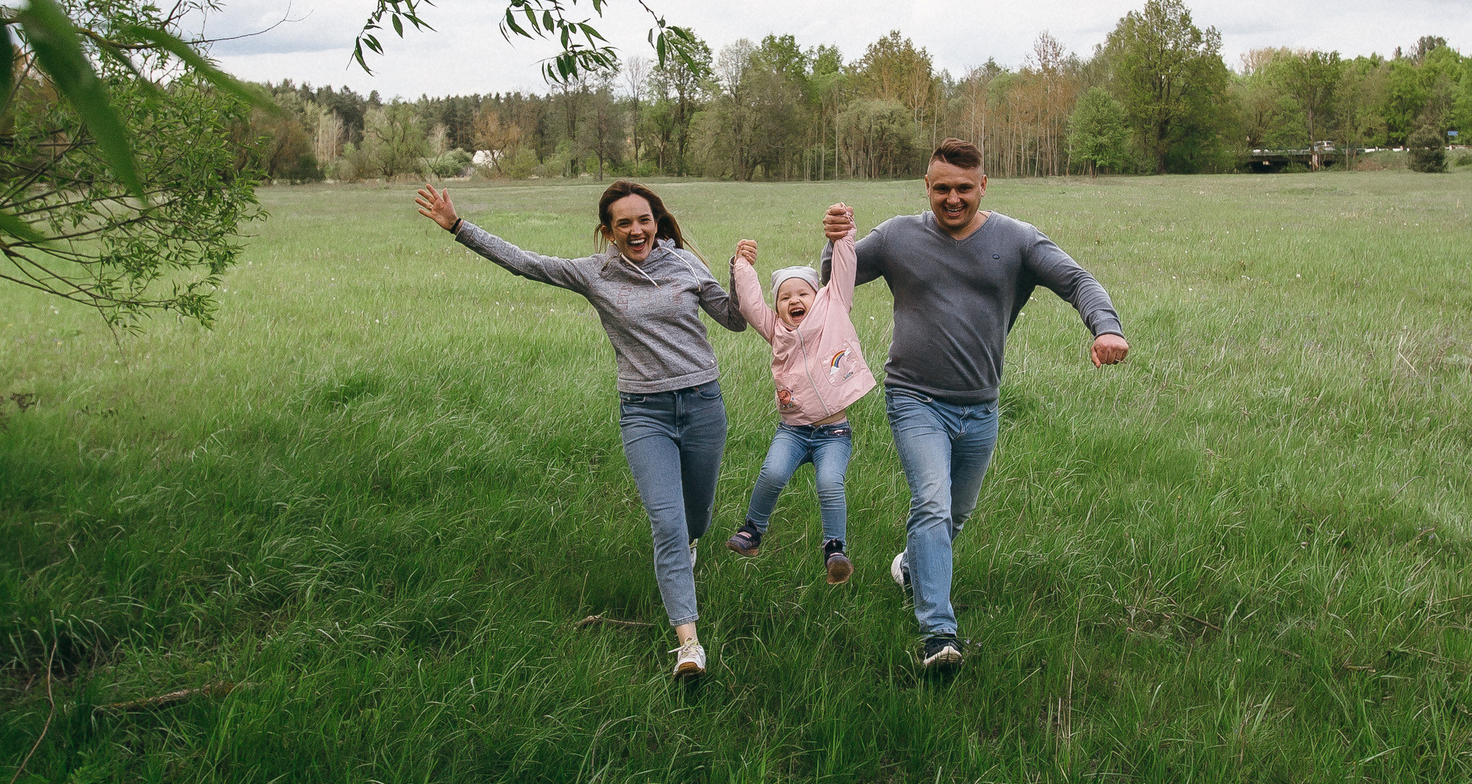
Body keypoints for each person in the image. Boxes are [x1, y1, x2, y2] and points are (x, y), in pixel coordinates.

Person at [414, 179, 744, 680]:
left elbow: (735, 320)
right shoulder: (595, 274)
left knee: (696, 518)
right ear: (608, 232)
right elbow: (525, 262)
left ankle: (692, 545)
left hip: (703, 405)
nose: (637, 230)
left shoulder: (684, 263)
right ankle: (689, 644)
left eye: (644, 220)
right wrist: (458, 227)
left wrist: (740, 273)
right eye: (624, 223)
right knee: (667, 525)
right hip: (644, 413)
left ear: (656, 221)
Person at [822, 138, 1128, 671]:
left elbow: (1078, 280)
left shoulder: (1017, 240)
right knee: (933, 505)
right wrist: (836, 244)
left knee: (954, 515)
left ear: (983, 185)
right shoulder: (897, 236)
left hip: (980, 405)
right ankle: (937, 635)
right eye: (942, 188)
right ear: (927, 187)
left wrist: (1105, 327)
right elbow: (833, 279)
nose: (953, 198)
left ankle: (912, 568)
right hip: (913, 397)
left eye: (964, 188)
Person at [721, 214, 879, 584]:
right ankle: (752, 531)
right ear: (777, 307)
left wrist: (844, 235)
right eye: (785, 297)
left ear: (818, 296)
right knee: (772, 473)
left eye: (802, 294)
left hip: (833, 433)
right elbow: (749, 304)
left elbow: (842, 270)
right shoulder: (775, 329)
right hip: (791, 431)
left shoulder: (834, 307)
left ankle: (834, 548)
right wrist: (742, 264)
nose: (794, 300)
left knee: (829, 484)